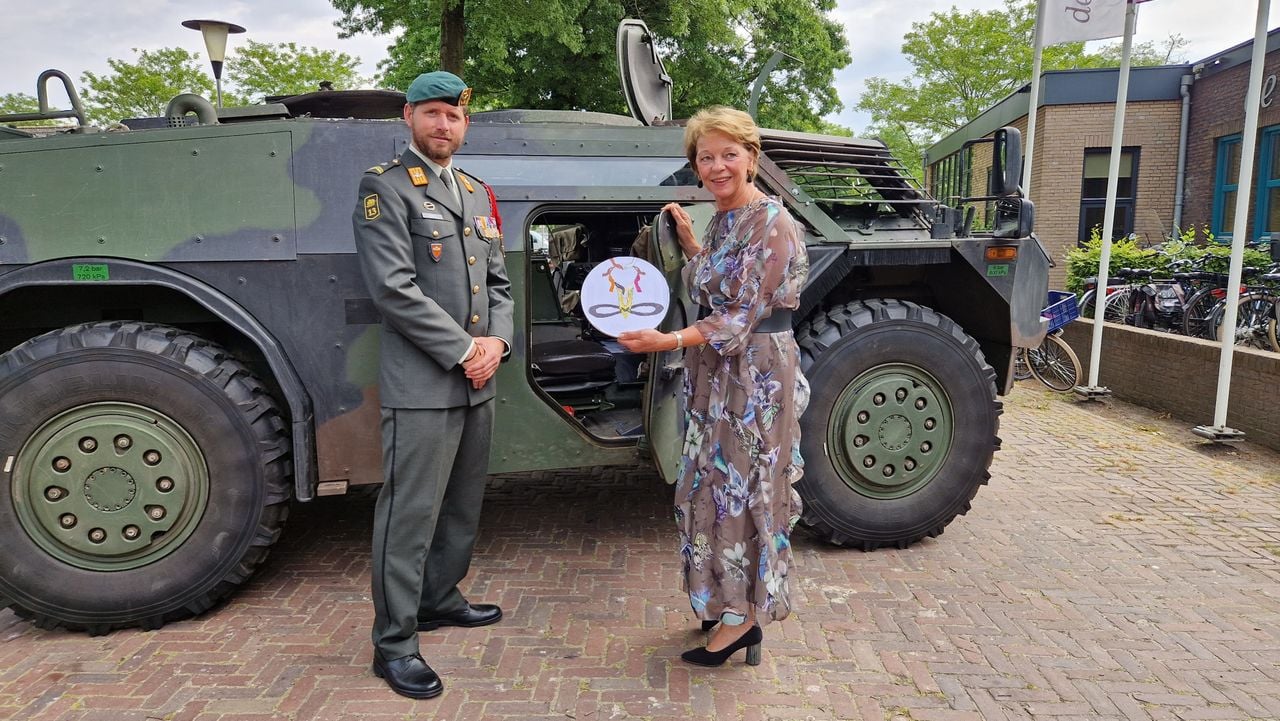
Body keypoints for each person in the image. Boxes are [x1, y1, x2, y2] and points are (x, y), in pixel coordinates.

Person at [618, 106, 809, 667]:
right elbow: (717, 281)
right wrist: (691, 244)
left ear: (753, 157)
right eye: (707, 157)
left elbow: (741, 313)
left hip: (755, 377)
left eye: (730, 154)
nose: (718, 166)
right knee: (708, 485)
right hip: (718, 374)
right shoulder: (724, 217)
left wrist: (668, 341)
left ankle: (743, 618)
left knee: (746, 491)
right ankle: (723, 602)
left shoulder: (773, 220)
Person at [352, 70, 513, 699]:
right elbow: (393, 288)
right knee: (409, 514)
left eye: (454, 115)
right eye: (432, 114)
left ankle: (439, 598)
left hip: (477, 378)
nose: (444, 125)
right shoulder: (383, 189)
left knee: (461, 505)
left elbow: (498, 284)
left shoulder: (474, 193)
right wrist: (463, 350)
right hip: (424, 380)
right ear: (409, 118)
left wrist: (496, 343)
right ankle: (393, 644)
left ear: (465, 124)